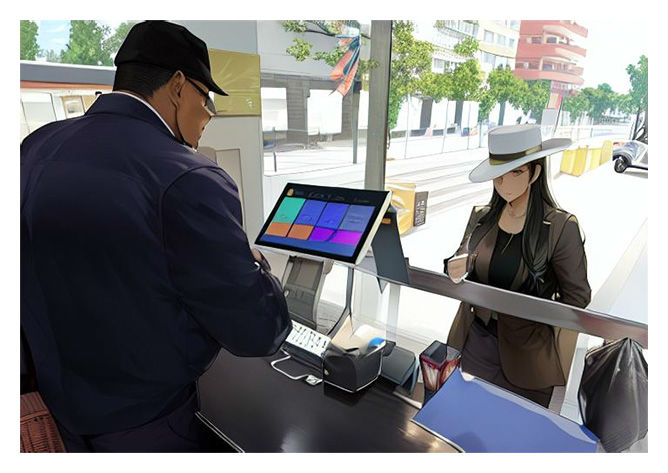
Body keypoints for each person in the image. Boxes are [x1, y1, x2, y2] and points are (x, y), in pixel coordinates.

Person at [20, 21, 291, 452]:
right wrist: (261, 273)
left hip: (65, 411)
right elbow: (255, 331)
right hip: (151, 422)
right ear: (178, 86)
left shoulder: (35, 148)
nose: (208, 116)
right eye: (206, 99)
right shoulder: (187, 176)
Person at [445, 125, 591, 408]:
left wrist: (538, 313)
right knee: (468, 416)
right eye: (498, 175)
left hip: (528, 355)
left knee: (516, 428)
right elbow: (460, 259)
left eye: (515, 172)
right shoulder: (482, 217)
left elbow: (578, 297)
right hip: (478, 343)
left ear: (534, 173)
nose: (504, 183)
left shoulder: (560, 227)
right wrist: (456, 265)